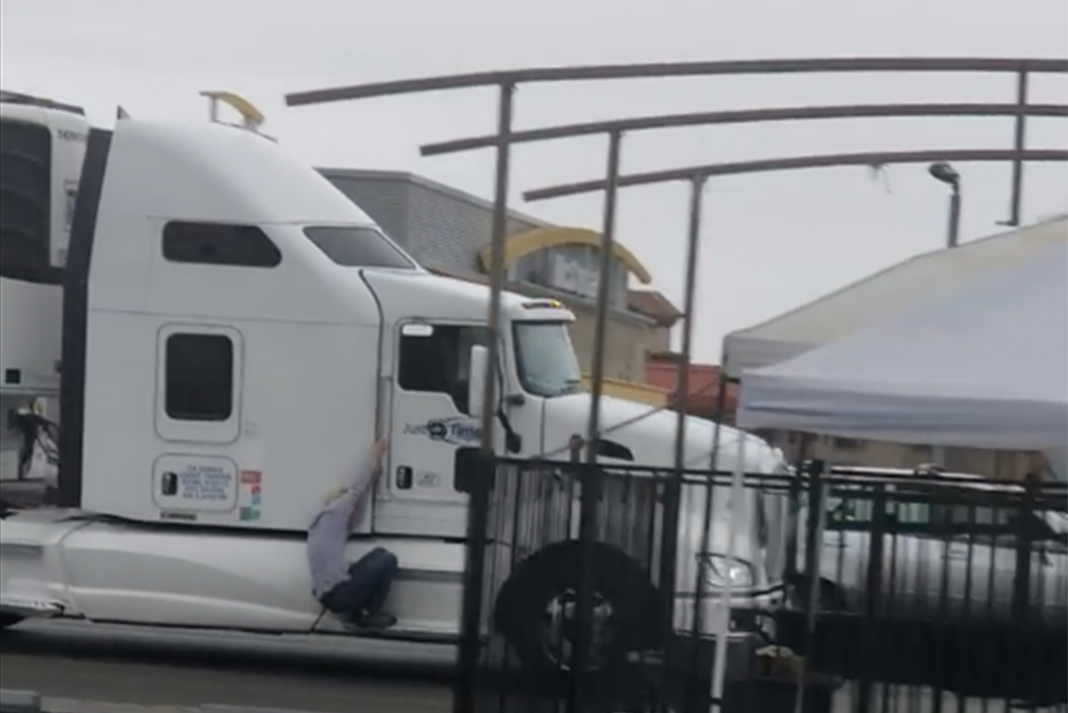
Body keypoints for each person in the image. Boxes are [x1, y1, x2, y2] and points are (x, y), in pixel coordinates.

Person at [306, 437, 398, 630]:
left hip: (330, 591)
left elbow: (358, 512)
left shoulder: (327, 524)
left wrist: (373, 478)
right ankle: (368, 615)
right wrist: (373, 456)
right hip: (337, 594)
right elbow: (355, 491)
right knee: (387, 559)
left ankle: (357, 612)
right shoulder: (335, 513)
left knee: (379, 555)